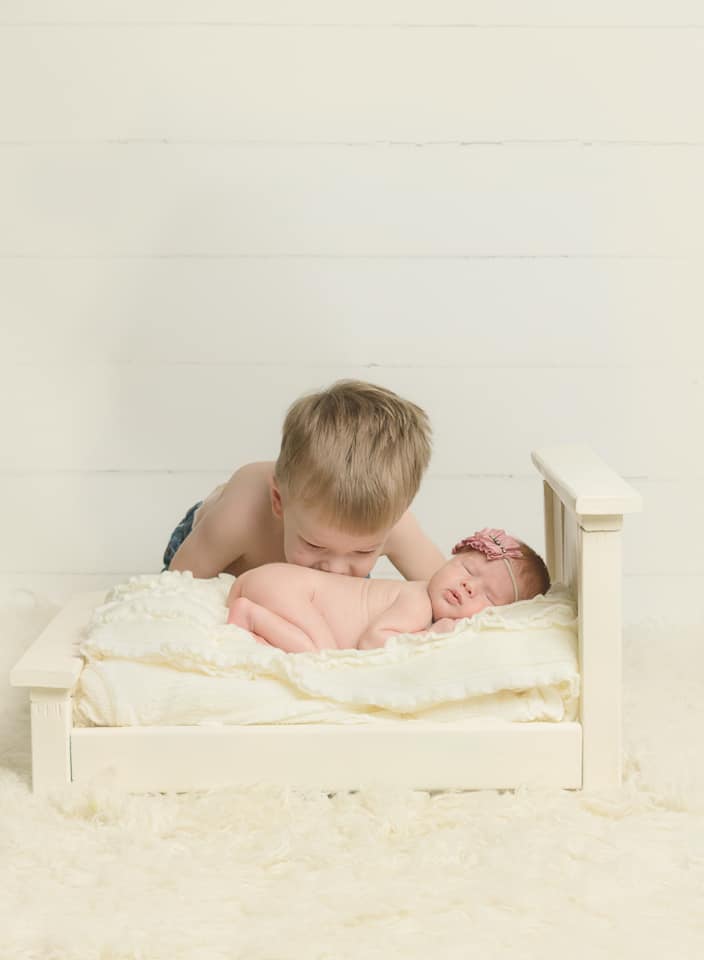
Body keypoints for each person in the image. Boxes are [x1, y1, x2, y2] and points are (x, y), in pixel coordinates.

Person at [163, 380, 444, 581]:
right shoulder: (240, 518)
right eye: (314, 545)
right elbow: (172, 591)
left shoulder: (395, 525)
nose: (335, 569)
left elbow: (445, 590)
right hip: (221, 555)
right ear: (278, 501)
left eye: (363, 551)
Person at [227, 528, 550, 652]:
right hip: (290, 587)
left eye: (489, 596)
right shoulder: (417, 600)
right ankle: (251, 616)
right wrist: (430, 637)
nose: (468, 586)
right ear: (451, 557)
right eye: (467, 569)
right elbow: (373, 641)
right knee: (321, 657)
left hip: (274, 583)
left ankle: (260, 626)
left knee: (314, 645)